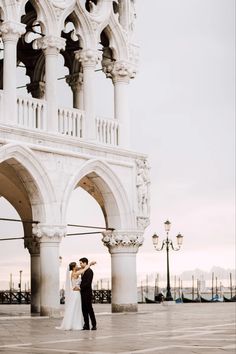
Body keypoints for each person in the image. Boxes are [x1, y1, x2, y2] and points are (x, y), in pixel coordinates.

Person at [56, 260, 96, 330]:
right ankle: (77, 324)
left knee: (77, 308)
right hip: (76, 293)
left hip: (79, 293)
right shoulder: (75, 273)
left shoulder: (75, 272)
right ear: (74, 267)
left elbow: (84, 269)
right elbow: (84, 269)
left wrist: (89, 265)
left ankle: (88, 325)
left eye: (80, 264)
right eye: (77, 265)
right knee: (77, 308)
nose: (78, 266)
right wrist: (90, 264)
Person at [79, 257, 97, 330]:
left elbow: (88, 283)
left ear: (85, 263)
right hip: (82, 293)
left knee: (90, 309)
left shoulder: (90, 271)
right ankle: (86, 325)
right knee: (84, 309)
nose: (80, 264)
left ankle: (94, 325)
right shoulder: (83, 271)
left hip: (87, 293)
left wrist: (80, 287)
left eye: (81, 263)